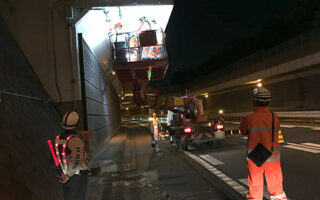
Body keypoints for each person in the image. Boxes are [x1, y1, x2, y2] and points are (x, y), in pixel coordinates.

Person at [239, 87, 287, 200]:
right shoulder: (274, 116)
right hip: (272, 155)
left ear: (254, 101)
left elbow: (243, 131)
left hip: (256, 155)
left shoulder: (249, 118)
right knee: (276, 186)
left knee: (255, 185)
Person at [54, 110, 91, 200]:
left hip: (64, 175)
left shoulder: (58, 138)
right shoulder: (75, 141)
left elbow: (56, 157)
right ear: (76, 125)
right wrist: (68, 176)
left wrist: (62, 174)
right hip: (76, 177)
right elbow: (76, 160)